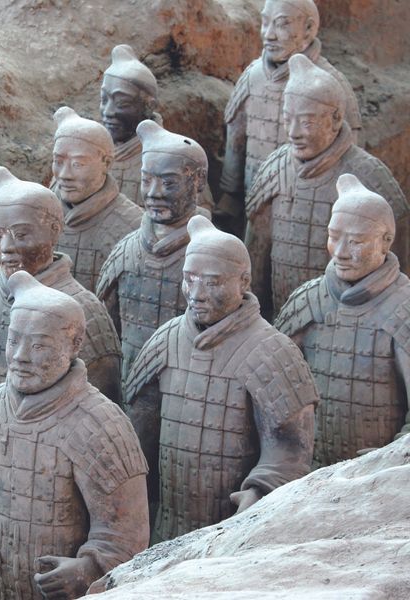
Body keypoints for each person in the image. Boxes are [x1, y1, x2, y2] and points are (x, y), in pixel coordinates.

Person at [0, 271, 148, 600]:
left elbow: (126, 534)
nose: (21, 355)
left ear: (74, 345)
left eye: (39, 345)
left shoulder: (101, 425)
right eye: (14, 340)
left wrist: (88, 570)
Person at [125, 215, 318, 542]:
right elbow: (137, 437)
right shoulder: (164, 342)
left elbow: (289, 447)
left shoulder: (272, 352)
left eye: (211, 283)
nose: (196, 293)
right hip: (165, 528)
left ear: (243, 282)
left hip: (236, 532)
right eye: (189, 279)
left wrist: (259, 490)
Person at [0, 166, 122, 418]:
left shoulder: (85, 309)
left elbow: (102, 412)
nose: (6, 247)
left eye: (21, 234)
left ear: (53, 231)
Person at [246, 53, 409, 319]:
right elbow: (256, 258)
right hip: (279, 320)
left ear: (335, 119)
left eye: (307, 122)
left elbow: (398, 263)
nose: (294, 132)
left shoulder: (371, 176)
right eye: (288, 119)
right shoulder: (274, 169)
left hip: (349, 328)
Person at [275, 174, 410, 466]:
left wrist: (393, 456)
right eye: (334, 237)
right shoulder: (307, 300)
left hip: (376, 479)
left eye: (356, 241)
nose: (340, 252)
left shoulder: (404, 308)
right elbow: (268, 392)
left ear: (386, 241)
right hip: (305, 471)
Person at [217, 0, 361, 236]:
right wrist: (230, 193)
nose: (269, 34)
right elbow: (236, 136)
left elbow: (349, 156)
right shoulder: (253, 77)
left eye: (282, 24)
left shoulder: (331, 86)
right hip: (254, 203)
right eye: (265, 23)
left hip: (310, 210)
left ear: (308, 28)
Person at [97, 120, 210, 379]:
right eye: (146, 181)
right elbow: (107, 336)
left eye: (169, 183)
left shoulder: (215, 257)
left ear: (199, 181)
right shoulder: (124, 252)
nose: (153, 193)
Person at [51, 106, 142, 292]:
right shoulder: (40, 210)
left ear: (106, 164)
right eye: (58, 162)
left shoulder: (134, 227)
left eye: (78, 164)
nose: (64, 174)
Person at [100, 44, 161, 208]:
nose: (108, 111)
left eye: (122, 103)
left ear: (148, 106)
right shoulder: (87, 152)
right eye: (104, 100)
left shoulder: (170, 160)